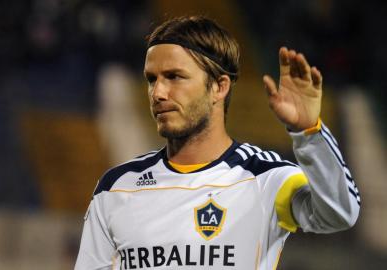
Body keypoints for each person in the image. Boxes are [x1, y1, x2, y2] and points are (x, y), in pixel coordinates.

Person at [75, 16, 360, 269]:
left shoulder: (266, 177)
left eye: (174, 77)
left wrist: (309, 132)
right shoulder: (116, 187)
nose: (158, 92)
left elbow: (340, 213)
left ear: (219, 87)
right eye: (152, 79)